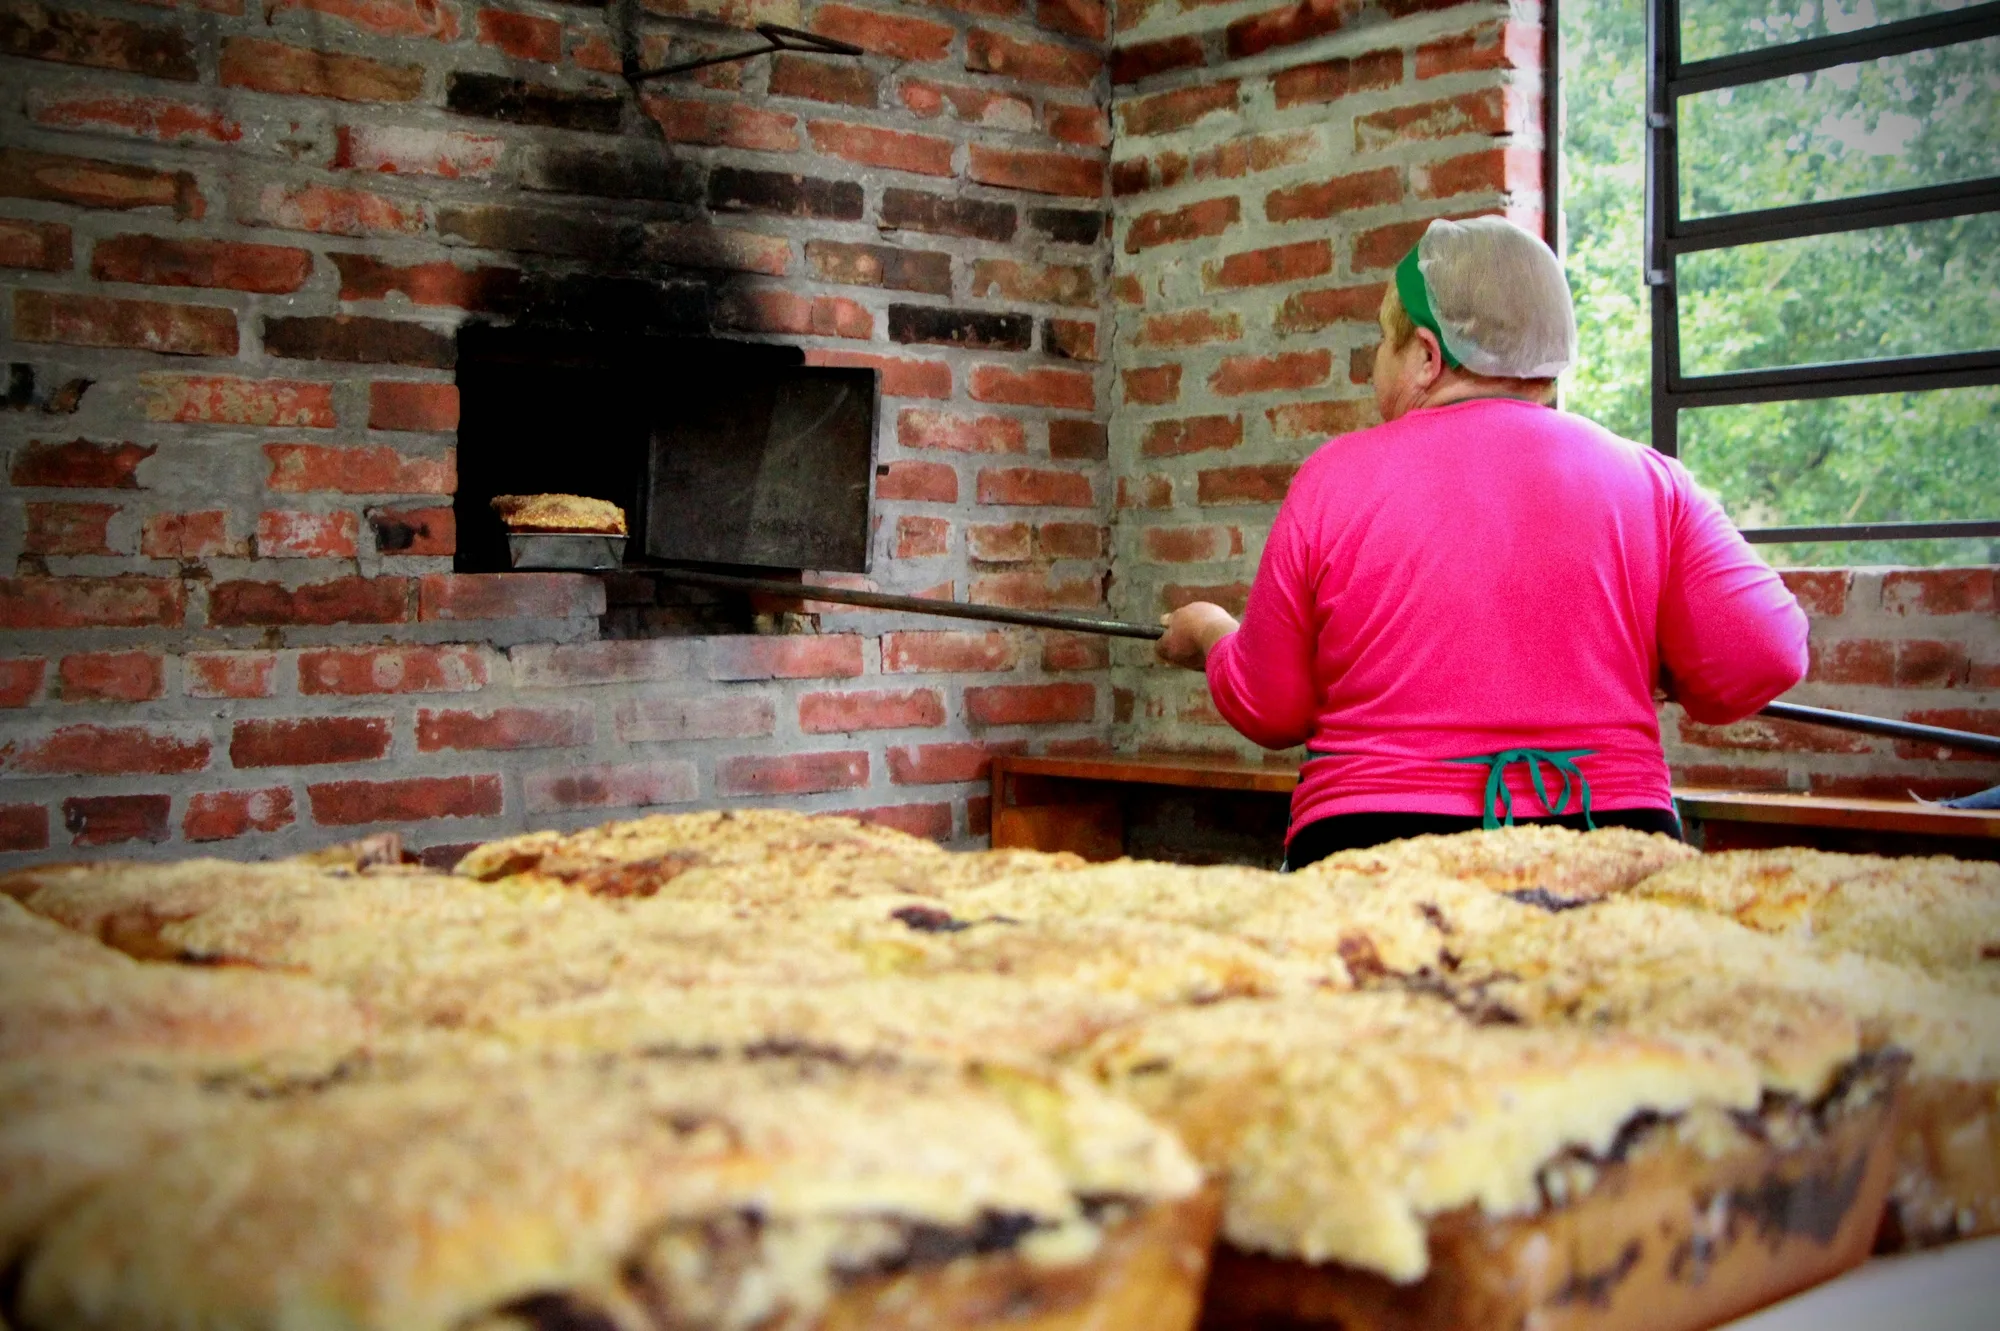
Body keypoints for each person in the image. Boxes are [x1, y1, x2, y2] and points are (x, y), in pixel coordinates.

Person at [1154, 216, 1808, 869]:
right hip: (1611, 846)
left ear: (1428, 357)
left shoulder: (1334, 476)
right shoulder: (1650, 480)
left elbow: (1272, 708)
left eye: (1384, 341)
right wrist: (1655, 659)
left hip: (1376, 852)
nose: (1376, 362)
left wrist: (1212, 632)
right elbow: (1763, 656)